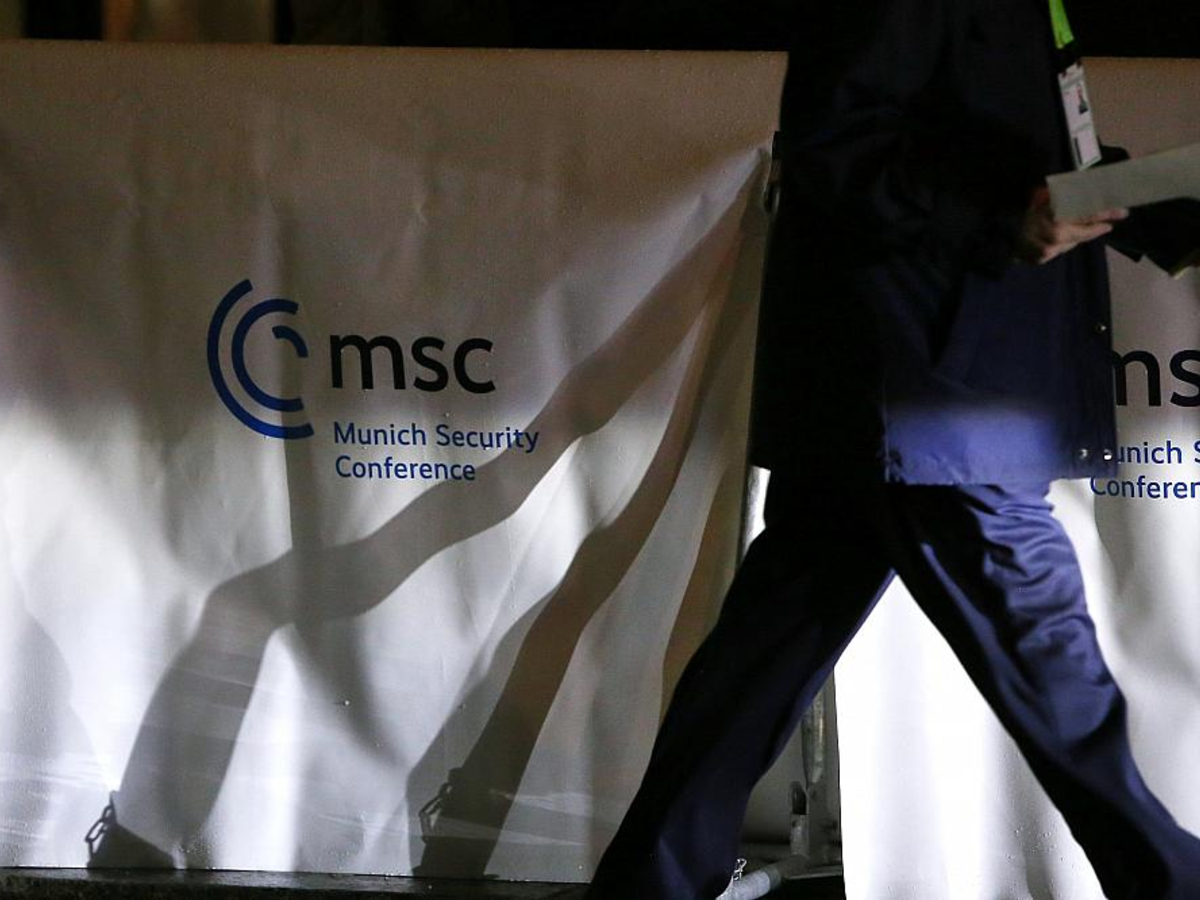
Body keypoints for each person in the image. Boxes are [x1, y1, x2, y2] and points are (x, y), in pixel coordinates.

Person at [586, 1, 1200, 897]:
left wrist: (1166, 212)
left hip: (912, 390)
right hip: (925, 389)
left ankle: (652, 881)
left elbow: (1025, 155)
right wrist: (999, 217)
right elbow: (836, 145)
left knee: (766, 653)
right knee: (1045, 652)